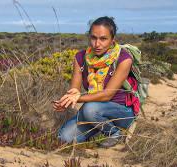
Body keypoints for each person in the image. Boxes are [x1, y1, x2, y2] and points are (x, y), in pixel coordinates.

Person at [53, 16, 136, 148]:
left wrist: (78, 98)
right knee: (64, 138)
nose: (97, 44)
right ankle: (98, 128)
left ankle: (115, 133)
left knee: (90, 108)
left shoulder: (123, 59)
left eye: (103, 39)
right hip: (93, 113)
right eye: (93, 38)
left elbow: (107, 95)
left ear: (112, 39)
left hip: (121, 113)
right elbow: (74, 89)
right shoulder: (80, 57)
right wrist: (68, 99)